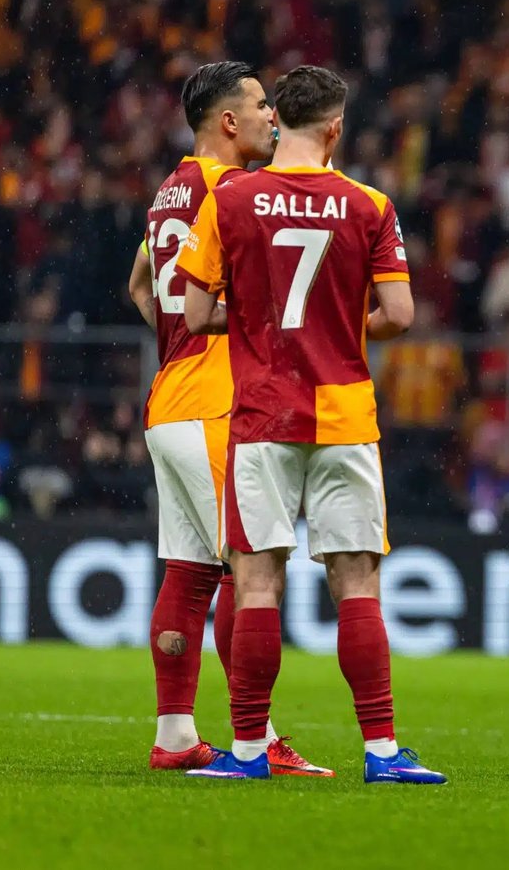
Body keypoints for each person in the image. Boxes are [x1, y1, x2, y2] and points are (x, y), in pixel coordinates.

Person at [174, 65, 443, 784]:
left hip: (262, 412)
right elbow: (401, 315)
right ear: (334, 127)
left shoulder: (230, 199)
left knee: (258, 582)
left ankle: (251, 750)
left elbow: (196, 316)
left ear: (279, 121)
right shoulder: (370, 204)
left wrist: (266, 325)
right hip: (345, 413)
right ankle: (383, 752)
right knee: (356, 583)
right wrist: (331, 322)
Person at [125, 61, 326, 777]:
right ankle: (257, 737)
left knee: (188, 573)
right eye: (264, 105)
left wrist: (178, 339)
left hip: (168, 400)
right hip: (214, 405)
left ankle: (176, 736)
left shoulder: (171, 190)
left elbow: (141, 283)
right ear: (229, 122)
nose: (275, 116)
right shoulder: (238, 192)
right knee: (254, 566)